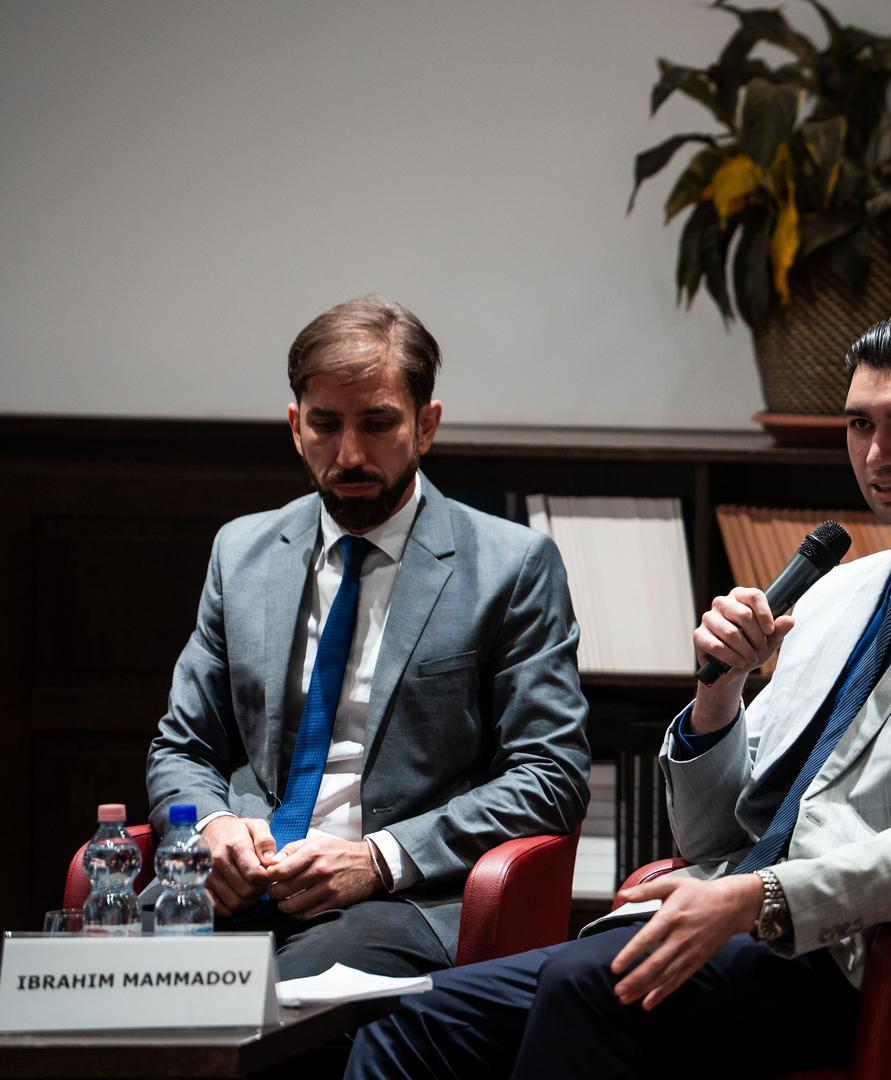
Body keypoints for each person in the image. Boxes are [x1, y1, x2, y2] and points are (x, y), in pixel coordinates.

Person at [345, 311, 891, 1077]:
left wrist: (756, 899)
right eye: (859, 424)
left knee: (586, 990)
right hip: (732, 913)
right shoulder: (837, 593)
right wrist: (719, 694)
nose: (876, 454)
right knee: (410, 1018)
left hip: (863, 955)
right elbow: (710, 832)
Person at [146, 296, 591, 978]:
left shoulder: (510, 566)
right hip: (243, 883)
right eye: (325, 425)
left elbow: (550, 775)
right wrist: (212, 827)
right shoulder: (242, 554)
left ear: (425, 426)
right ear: (296, 427)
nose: (349, 454)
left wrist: (378, 859)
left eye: (378, 424)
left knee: (285, 997)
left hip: (398, 899)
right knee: (112, 984)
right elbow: (183, 746)